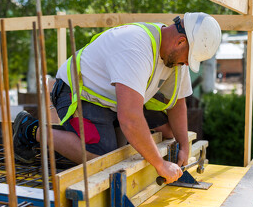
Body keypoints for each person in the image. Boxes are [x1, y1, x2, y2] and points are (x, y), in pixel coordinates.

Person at [13, 12, 221, 184]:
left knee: (169, 131)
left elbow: (177, 103)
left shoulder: (174, 54)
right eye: (187, 59)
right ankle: (30, 129)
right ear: (180, 41)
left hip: (112, 100)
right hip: (78, 94)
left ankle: (89, 134)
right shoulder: (136, 47)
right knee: (104, 158)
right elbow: (130, 118)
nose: (185, 65)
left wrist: (184, 146)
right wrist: (160, 165)